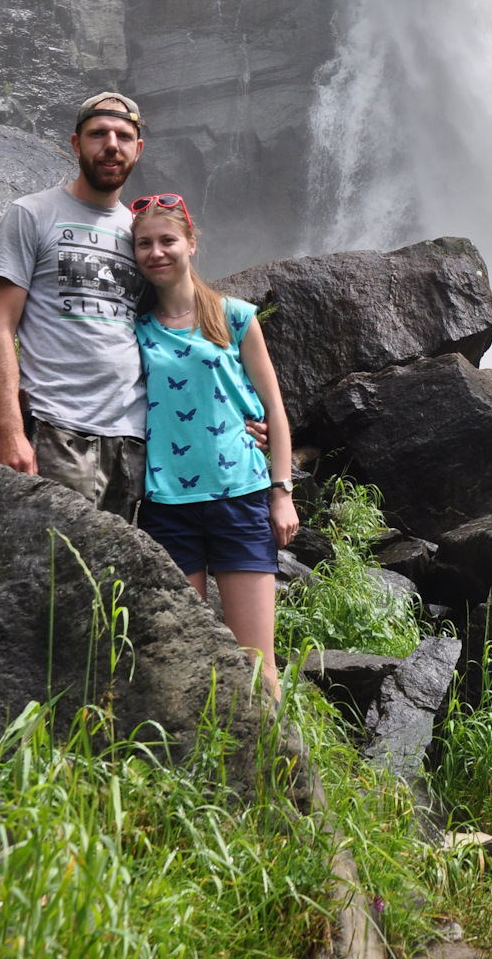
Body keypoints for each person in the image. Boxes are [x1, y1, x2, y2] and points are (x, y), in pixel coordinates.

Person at [131, 191, 299, 696]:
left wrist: (282, 490)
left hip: (240, 498)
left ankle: (278, 772)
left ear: (191, 243)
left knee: (258, 666)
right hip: (167, 506)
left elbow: (274, 408)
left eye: (167, 240)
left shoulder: (235, 318)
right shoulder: (135, 329)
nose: (157, 252)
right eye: (144, 244)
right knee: (185, 662)